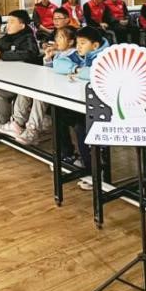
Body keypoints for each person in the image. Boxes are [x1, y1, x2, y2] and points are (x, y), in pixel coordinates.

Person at [0, 25, 78, 145]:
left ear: (71, 42)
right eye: (56, 37)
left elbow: (64, 71)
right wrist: (48, 58)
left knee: (39, 96)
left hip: (64, 93)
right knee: (26, 90)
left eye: (61, 37)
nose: (56, 40)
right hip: (53, 87)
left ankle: (32, 130)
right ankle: (17, 123)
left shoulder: (74, 55)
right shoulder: (60, 53)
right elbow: (50, 71)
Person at [52, 26, 110, 188]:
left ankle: (95, 171)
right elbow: (58, 64)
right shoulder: (81, 55)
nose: (78, 47)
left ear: (95, 45)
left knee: (81, 126)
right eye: (77, 43)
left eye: (82, 43)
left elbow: (98, 73)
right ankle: (68, 156)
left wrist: (81, 73)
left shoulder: (106, 56)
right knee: (58, 113)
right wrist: (76, 68)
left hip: (107, 110)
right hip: (86, 104)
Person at [0, 10, 41, 125]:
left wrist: (2, 55)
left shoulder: (28, 37)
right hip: (7, 76)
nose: (8, 25)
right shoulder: (8, 37)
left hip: (22, 80)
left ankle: (4, 123)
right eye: (7, 22)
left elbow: (30, 53)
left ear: (22, 25)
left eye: (12, 22)